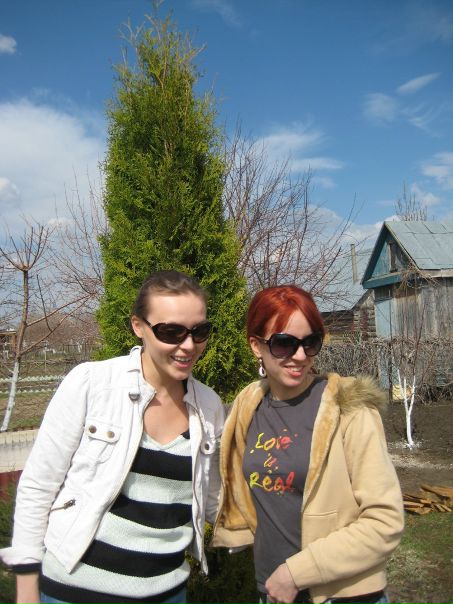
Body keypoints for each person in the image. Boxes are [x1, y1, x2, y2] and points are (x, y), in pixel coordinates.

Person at [1, 270, 224, 604]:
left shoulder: (208, 407)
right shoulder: (92, 384)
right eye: (171, 332)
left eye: (199, 331)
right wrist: (26, 587)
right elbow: (38, 486)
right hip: (74, 592)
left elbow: (215, 501)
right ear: (138, 326)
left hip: (168, 593)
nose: (189, 345)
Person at [212, 285, 404, 604]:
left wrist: (295, 573)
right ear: (256, 346)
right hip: (272, 593)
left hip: (341, 596)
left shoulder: (349, 409)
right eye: (284, 343)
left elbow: (385, 521)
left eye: (310, 342)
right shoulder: (248, 406)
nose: (300, 356)